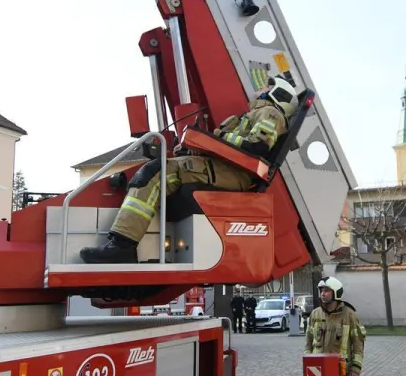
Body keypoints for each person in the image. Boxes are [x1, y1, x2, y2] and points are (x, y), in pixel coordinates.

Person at [79, 77, 299, 264]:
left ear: (278, 94)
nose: (261, 89)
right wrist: (195, 147)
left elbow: (256, 147)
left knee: (156, 173)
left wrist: (214, 138)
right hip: (222, 167)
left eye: (267, 87)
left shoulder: (271, 114)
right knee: (155, 170)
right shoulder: (252, 115)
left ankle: (122, 246)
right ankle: (121, 242)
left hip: (231, 173)